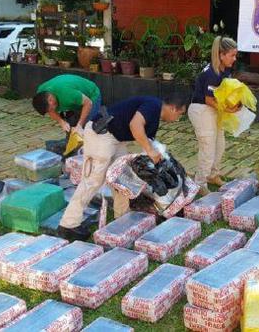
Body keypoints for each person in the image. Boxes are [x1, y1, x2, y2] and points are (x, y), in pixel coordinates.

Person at [58, 94, 188, 241]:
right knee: (93, 181)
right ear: (172, 108)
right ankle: (68, 225)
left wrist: (159, 154)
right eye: (179, 114)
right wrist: (150, 151)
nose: (177, 118)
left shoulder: (154, 114)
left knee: (122, 178)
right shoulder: (153, 106)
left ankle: (122, 218)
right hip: (100, 135)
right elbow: (135, 125)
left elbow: (148, 140)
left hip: (115, 138)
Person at [188, 36, 239, 195]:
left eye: (235, 55)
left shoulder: (226, 70)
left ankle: (212, 175)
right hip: (202, 109)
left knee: (220, 145)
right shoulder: (211, 73)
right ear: (221, 55)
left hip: (214, 109)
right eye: (232, 55)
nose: (234, 58)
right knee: (208, 148)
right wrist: (227, 110)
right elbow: (208, 99)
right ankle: (200, 183)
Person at [32, 74, 102, 134]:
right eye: (49, 110)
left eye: (51, 108)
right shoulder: (41, 93)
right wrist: (61, 122)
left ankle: (102, 116)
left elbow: (88, 103)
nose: (53, 110)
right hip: (75, 99)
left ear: (50, 99)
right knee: (72, 129)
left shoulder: (67, 94)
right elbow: (50, 111)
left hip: (91, 95)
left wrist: (80, 125)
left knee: (88, 128)